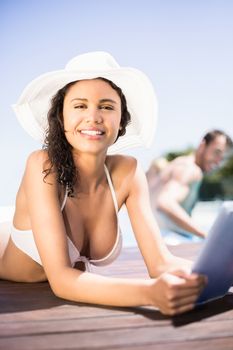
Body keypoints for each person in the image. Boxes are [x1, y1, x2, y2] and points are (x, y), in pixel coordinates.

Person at [0, 51, 206, 316]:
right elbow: (62, 280)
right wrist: (149, 293)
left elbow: (161, 263)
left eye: (107, 106)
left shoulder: (128, 172)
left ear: (121, 121)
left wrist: (214, 273)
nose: (94, 117)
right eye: (80, 105)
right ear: (61, 117)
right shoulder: (43, 165)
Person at [146, 130, 233, 240]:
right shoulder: (191, 170)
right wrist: (206, 235)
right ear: (203, 145)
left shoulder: (179, 163)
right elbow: (165, 202)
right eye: (217, 152)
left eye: (223, 158)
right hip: (170, 240)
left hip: (152, 239)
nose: (218, 161)